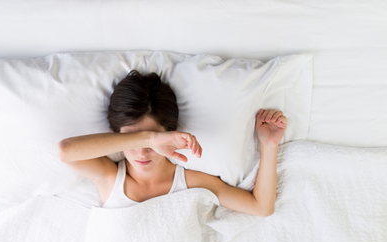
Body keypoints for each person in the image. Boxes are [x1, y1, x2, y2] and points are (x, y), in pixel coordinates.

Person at [57, 70, 286, 217]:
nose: (143, 151)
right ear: (117, 135)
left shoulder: (191, 182)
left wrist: (268, 144)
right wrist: (150, 137)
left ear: (169, 132)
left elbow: (261, 207)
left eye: (154, 136)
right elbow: (65, 151)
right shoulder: (110, 178)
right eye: (132, 137)